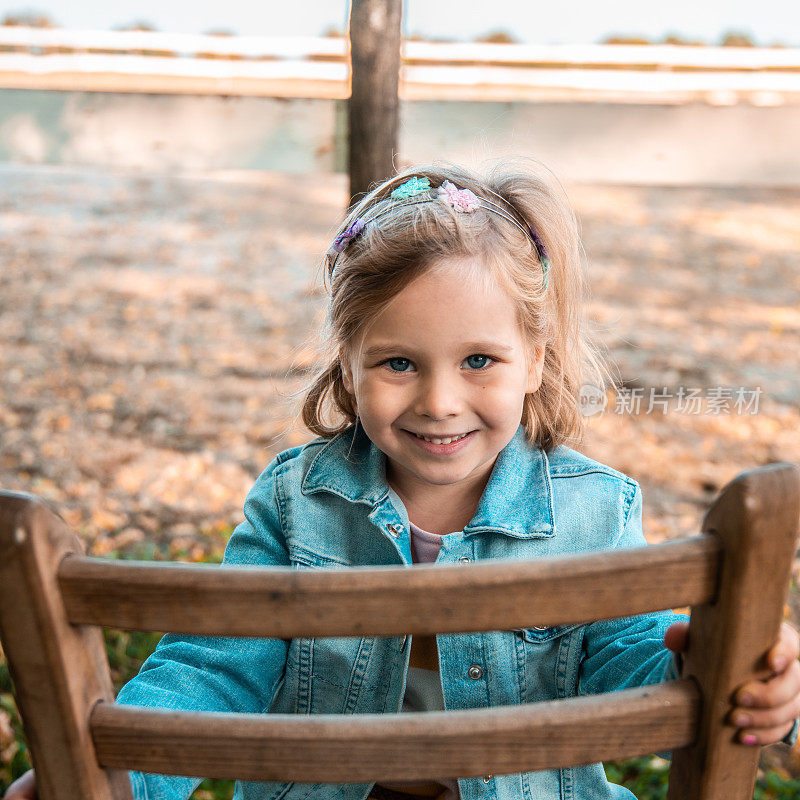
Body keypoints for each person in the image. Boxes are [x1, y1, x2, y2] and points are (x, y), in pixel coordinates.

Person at [5, 162, 800, 800]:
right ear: (346, 370)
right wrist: (117, 778)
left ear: (537, 362)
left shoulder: (593, 509)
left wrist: (726, 666)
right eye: (397, 363)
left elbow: (628, 658)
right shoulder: (295, 504)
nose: (439, 401)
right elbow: (214, 666)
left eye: (478, 360)